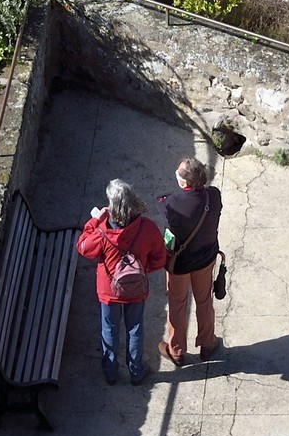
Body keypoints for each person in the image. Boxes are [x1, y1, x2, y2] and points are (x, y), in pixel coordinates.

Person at [75, 178, 167, 385]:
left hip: (109, 291)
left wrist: (96, 220)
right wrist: (142, 271)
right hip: (136, 290)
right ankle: (136, 371)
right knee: (135, 329)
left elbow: (82, 247)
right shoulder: (148, 228)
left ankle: (111, 372)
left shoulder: (101, 233)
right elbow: (160, 258)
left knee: (109, 328)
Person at [158, 156, 222, 365]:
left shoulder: (172, 203)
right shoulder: (214, 196)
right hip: (205, 259)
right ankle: (207, 343)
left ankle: (176, 350)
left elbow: (161, 203)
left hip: (180, 264)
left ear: (185, 182)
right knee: (204, 301)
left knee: (177, 303)